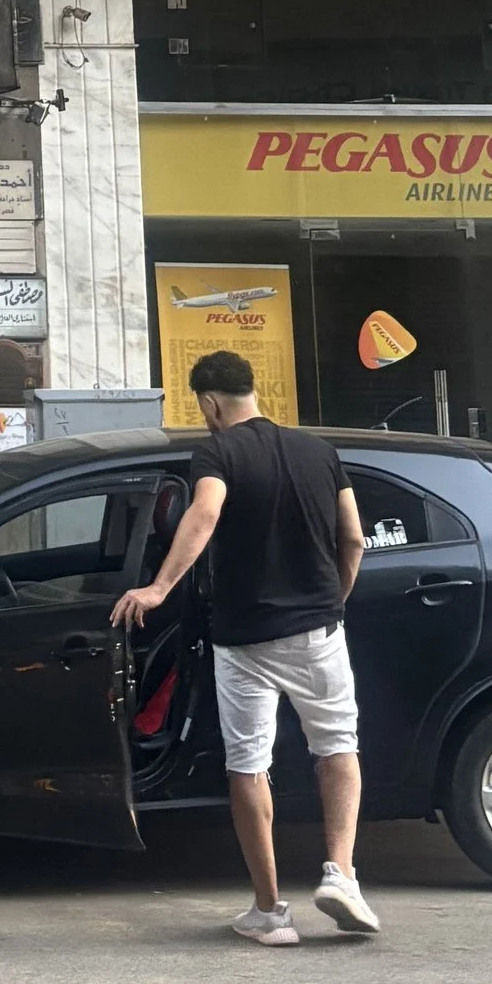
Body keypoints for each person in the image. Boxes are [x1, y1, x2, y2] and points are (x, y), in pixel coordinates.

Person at [112, 348, 379, 946]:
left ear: (210, 402)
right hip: (318, 634)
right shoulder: (319, 451)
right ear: (252, 390)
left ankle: (270, 911)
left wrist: (158, 588)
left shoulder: (216, 450)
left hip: (244, 640)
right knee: (337, 747)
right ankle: (341, 875)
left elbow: (205, 512)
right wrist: (331, 602)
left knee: (248, 765)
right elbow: (355, 538)